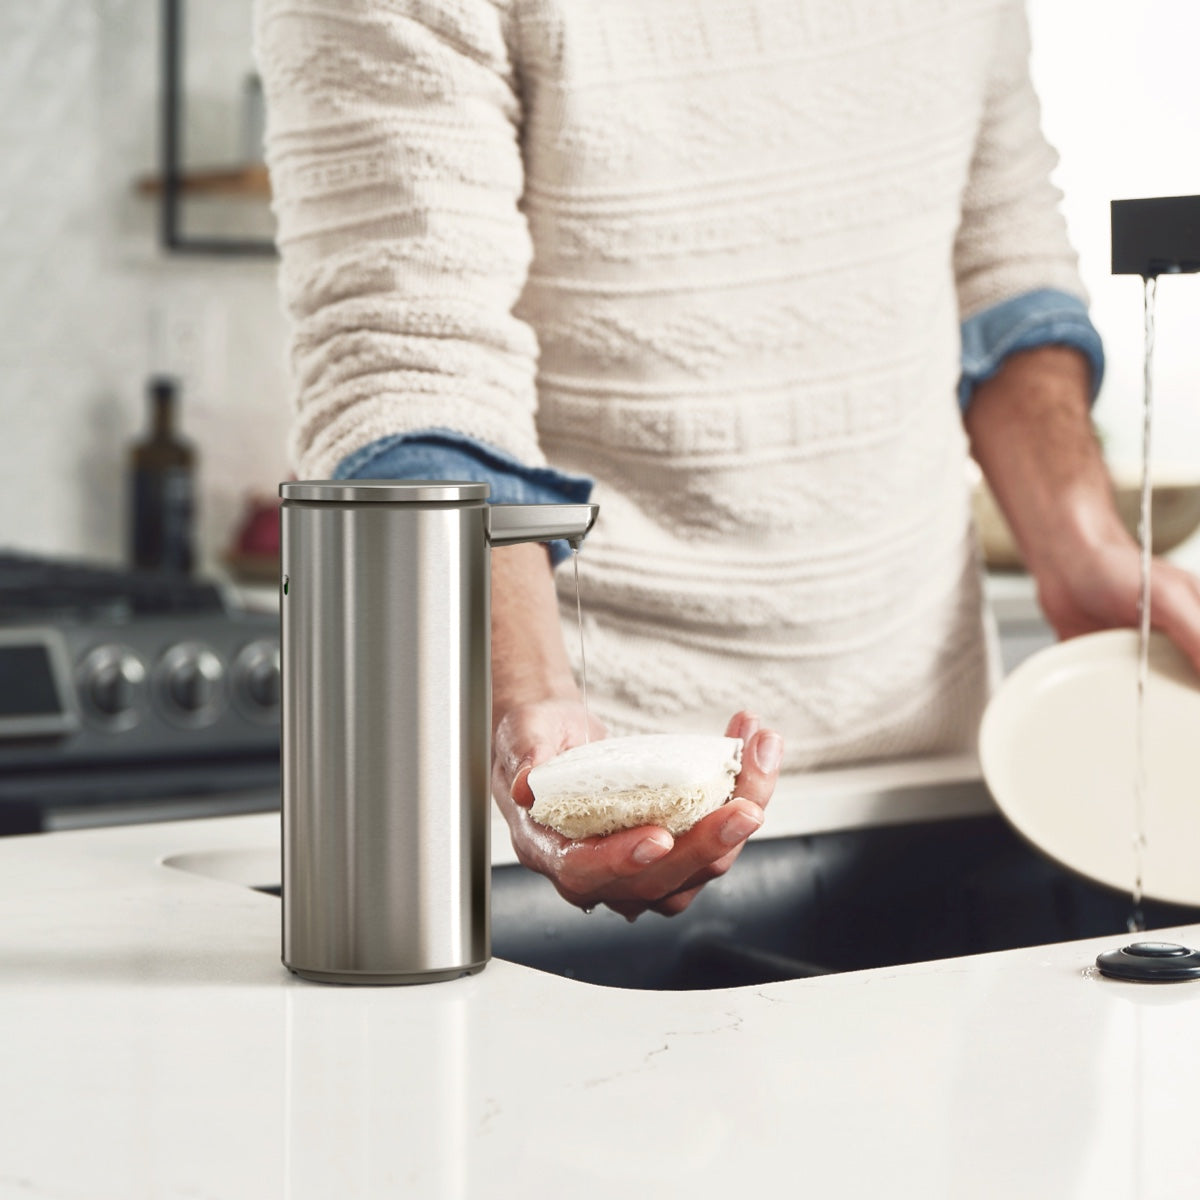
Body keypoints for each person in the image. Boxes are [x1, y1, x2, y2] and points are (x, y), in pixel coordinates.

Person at [256, 0, 1200, 920]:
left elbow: (1002, 262)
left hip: (931, 773)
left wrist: (1078, 538)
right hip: (560, 779)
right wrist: (530, 701)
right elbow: (412, 359)